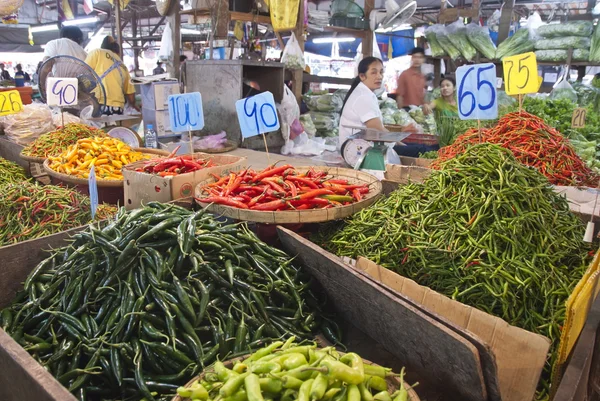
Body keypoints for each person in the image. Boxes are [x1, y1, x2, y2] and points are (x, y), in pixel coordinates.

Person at [339, 57, 387, 147]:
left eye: (381, 72)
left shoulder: (366, 93)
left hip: (362, 147)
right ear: (362, 76)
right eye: (373, 72)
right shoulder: (363, 97)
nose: (379, 76)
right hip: (359, 150)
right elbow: (378, 130)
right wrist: (399, 142)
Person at [85, 36, 139, 115]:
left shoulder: (98, 52)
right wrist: (133, 105)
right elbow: (131, 96)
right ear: (118, 52)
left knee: (97, 127)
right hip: (118, 108)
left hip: (99, 103)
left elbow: (83, 70)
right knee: (114, 127)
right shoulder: (123, 66)